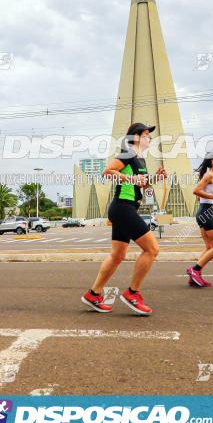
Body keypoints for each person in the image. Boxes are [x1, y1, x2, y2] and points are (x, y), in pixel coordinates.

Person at [82, 122, 166, 315]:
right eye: (146, 134)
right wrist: (131, 179)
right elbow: (107, 172)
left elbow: (141, 184)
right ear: (135, 137)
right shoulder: (127, 154)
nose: (150, 138)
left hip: (125, 208)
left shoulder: (141, 160)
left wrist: (154, 179)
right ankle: (132, 293)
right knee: (152, 249)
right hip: (123, 207)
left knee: (117, 255)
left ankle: (93, 294)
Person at [187, 152, 213, 287]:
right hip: (206, 213)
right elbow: (196, 191)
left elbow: (201, 195)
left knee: (209, 246)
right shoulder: (209, 175)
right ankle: (195, 270)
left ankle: (195, 277)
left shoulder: (212, 176)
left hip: (204, 211)